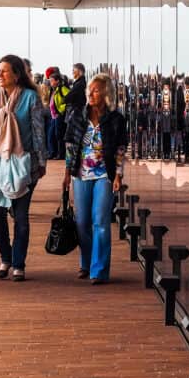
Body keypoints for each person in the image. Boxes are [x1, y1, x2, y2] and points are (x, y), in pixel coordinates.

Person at [0, 54, 48, 281]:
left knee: (21, 217)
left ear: (17, 74)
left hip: (23, 164)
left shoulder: (31, 98)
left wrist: (41, 162)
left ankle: (18, 263)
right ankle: (5, 257)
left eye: (5, 71)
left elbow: (37, 132)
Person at [62, 73, 127, 285]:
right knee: (82, 222)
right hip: (81, 175)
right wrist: (66, 174)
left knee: (100, 221)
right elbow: (70, 146)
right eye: (89, 90)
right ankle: (86, 262)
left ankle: (99, 270)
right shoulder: (78, 115)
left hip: (104, 175)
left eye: (96, 90)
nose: (90, 94)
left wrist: (118, 174)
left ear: (106, 93)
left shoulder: (116, 119)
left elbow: (120, 149)